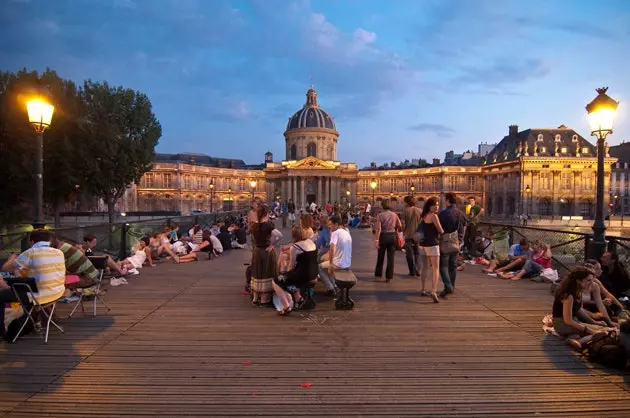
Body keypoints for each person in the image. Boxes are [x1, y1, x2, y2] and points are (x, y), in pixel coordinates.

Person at [1, 229, 66, 336]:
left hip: (39, 296)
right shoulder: (59, 252)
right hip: (57, 293)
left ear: (31, 241)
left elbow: (5, 268)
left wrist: (12, 258)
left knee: (2, 295)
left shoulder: (31, 253)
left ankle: (1, 331)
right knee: (24, 289)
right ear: (49, 240)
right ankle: (33, 321)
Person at [552, 267, 611, 350]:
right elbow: (568, 320)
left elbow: (579, 309)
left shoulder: (577, 290)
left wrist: (594, 322)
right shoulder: (568, 295)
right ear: (578, 281)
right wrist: (590, 330)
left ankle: (573, 338)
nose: (591, 283)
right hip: (563, 324)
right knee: (605, 332)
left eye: (592, 280)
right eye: (588, 280)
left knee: (605, 330)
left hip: (573, 322)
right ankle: (579, 341)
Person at [273, 226, 318, 315]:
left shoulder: (295, 247)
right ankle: (298, 298)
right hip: (314, 272)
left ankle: (286, 306)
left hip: (303, 275)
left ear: (293, 235)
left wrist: (285, 272)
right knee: (290, 278)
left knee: (276, 281)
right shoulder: (310, 242)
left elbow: (292, 265)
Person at [250, 205, 283, 305]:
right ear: (267, 214)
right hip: (266, 251)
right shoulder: (268, 225)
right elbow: (279, 235)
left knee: (257, 272)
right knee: (266, 272)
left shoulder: (254, 225)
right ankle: (264, 299)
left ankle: (255, 297)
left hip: (257, 251)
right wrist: (273, 245)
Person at [438, 193, 465, 297]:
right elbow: (462, 229)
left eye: (445, 200)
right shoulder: (460, 213)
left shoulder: (443, 213)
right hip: (456, 243)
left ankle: (448, 286)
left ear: (448, 200)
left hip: (445, 242)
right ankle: (451, 287)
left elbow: (439, 229)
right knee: (453, 266)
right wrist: (460, 241)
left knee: (443, 266)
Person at [418, 197, 444, 303]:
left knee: (424, 268)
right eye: (435, 205)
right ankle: (434, 291)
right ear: (430, 206)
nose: (437, 207)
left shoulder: (423, 216)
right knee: (435, 269)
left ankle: (423, 289)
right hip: (432, 244)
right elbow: (441, 231)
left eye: (438, 205)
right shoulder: (434, 216)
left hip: (422, 244)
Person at [319, 215, 352, 297]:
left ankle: (330, 288)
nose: (329, 226)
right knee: (326, 265)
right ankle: (333, 285)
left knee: (319, 267)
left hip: (339, 264)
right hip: (347, 263)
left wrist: (330, 264)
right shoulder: (346, 232)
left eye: (331, 224)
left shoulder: (335, 233)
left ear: (336, 224)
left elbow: (332, 249)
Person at [374, 198, 402, 282]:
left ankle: (378, 275)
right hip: (392, 236)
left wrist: (376, 240)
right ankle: (389, 276)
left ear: (382, 205)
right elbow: (400, 225)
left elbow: (378, 229)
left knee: (380, 256)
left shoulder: (380, 215)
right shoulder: (394, 214)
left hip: (383, 236)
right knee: (391, 258)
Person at [402, 195, 422, 277]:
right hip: (417, 234)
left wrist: (403, 233)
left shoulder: (405, 211)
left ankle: (412, 271)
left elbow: (403, 224)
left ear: (407, 202)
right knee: (417, 252)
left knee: (409, 253)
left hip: (408, 234)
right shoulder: (420, 210)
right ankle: (418, 268)